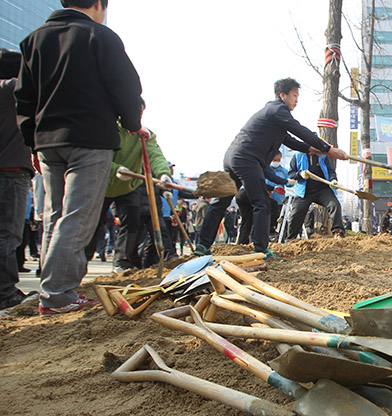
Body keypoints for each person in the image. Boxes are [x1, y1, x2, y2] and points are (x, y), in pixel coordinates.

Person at [15, 0, 143, 315]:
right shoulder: (99, 36)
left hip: (47, 142)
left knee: (55, 216)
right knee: (77, 219)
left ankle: (52, 290)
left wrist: (32, 141)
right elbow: (126, 87)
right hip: (89, 139)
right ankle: (58, 296)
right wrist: (132, 123)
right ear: (98, 4)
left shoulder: (33, 40)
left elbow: (24, 98)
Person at [194, 77, 347, 256]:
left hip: (233, 157)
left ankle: (202, 245)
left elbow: (290, 140)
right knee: (261, 203)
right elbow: (300, 130)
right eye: (294, 95)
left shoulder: (272, 115)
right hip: (246, 159)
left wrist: (314, 150)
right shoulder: (278, 110)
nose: (297, 100)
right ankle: (261, 248)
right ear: (283, 95)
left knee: (222, 201)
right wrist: (329, 149)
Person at [87, 111, 172, 273]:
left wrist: (163, 174)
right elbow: (98, 154)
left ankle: (122, 262)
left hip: (128, 186)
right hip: (102, 184)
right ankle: (82, 259)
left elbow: (155, 155)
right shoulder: (108, 128)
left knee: (132, 220)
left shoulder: (144, 134)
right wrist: (114, 169)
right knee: (93, 224)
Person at [0, 50, 36, 310]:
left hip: (11, 167)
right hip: (11, 170)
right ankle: (4, 292)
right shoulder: (13, 90)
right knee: (8, 235)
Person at [286, 150, 345, 239]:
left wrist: (333, 180)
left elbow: (330, 171)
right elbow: (291, 174)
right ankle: (291, 238)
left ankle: (338, 232)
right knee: (296, 213)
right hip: (304, 191)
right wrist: (300, 174)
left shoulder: (323, 156)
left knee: (334, 205)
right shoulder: (298, 156)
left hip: (322, 189)